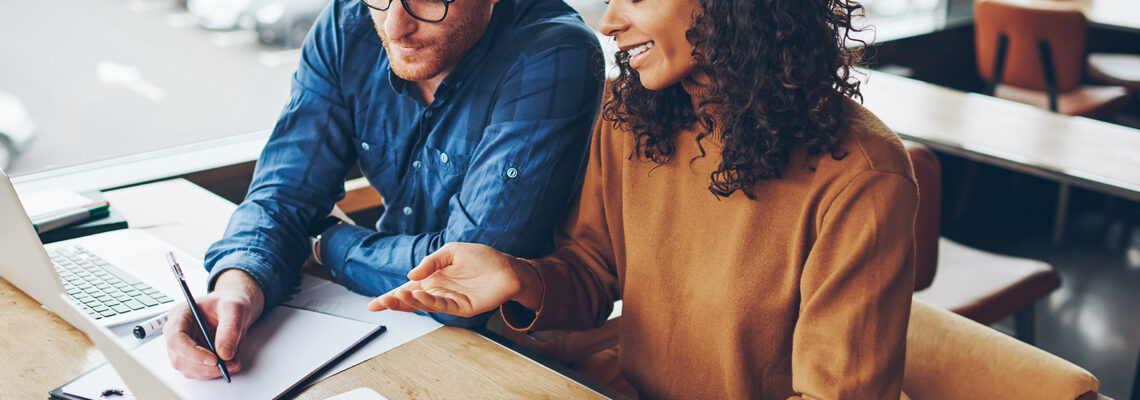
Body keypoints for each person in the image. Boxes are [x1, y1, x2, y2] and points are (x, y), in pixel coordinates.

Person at [368, 0, 919, 397]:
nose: (607, 22)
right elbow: (590, 272)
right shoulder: (633, 116)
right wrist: (518, 277)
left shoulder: (863, 177)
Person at [163, 0, 603, 380]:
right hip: (377, 317)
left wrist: (322, 242)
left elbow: (460, 285)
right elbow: (283, 193)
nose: (394, 27)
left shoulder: (553, 53)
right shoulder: (348, 21)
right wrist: (237, 287)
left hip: (516, 348)